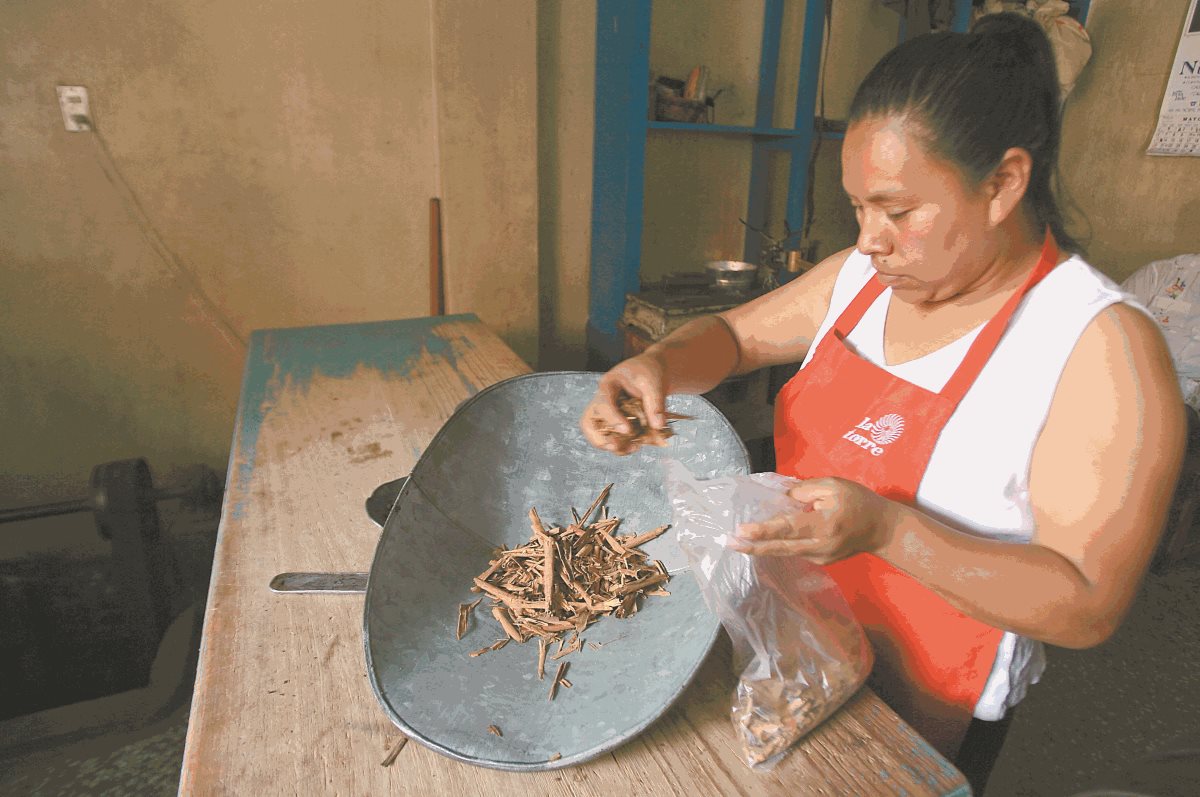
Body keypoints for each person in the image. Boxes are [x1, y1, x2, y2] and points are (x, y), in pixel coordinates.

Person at [580, 12, 1186, 793]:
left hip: (920, 707)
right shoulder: (862, 282)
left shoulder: (1098, 347)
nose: (869, 239)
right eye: (859, 208)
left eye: (898, 211)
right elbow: (731, 336)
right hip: (786, 648)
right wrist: (659, 363)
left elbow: (1087, 604)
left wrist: (886, 528)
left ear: (1003, 182)